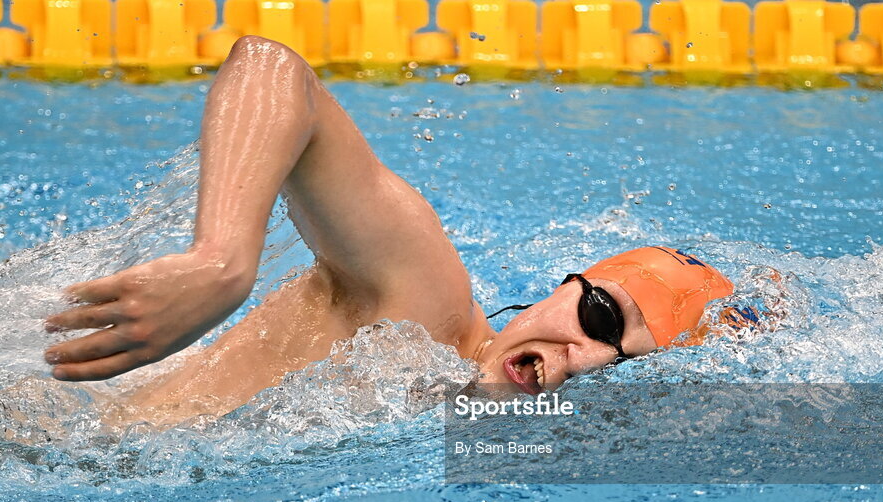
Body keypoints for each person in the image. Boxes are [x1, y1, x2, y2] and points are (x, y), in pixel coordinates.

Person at [40, 36, 742, 426]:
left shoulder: (440, 418)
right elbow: (274, 70)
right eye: (598, 315)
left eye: (623, 370)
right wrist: (222, 259)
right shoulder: (424, 304)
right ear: (566, 285)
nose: (583, 359)